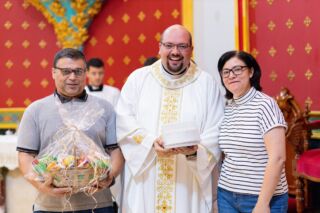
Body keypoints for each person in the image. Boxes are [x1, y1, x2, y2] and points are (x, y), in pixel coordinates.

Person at [116, 24, 224, 213]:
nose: (175, 52)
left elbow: (216, 129)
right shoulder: (139, 79)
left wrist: (193, 152)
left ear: (191, 50)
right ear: (159, 47)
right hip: (147, 178)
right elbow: (123, 121)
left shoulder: (206, 83)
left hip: (189, 182)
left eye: (182, 46)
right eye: (169, 45)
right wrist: (150, 143)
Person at [17, 48, 124, 213]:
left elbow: (115, 150)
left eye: (78, 71)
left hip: (98, 204)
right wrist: (43, 186)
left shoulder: (104, 108)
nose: (73, 77)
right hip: (50, 206)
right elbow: (25, 155)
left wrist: (109, 178)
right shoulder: (35, 110)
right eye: (66, 71)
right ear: (53, 72)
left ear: (85, 73)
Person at [216, 50, 288, 213]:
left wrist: (263, 203)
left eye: (238, 69)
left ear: (251, 72)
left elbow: (277, 158)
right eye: (226, 72)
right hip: (226, 194)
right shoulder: (227, 107)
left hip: (263, 197)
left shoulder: (265, 105)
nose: (231, 75)